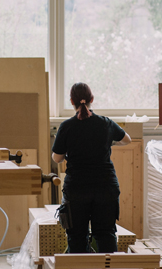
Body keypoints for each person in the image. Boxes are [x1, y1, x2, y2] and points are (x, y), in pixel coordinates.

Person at [51, 82, 131, 254]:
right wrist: (109, 143)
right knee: (106, 235)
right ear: (91, 99)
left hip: (77, 189)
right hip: (106, 187)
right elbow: (127, 140)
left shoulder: (66, 126)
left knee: (76, 237)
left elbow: (57, 158)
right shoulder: (106, 123)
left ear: (71, 101)